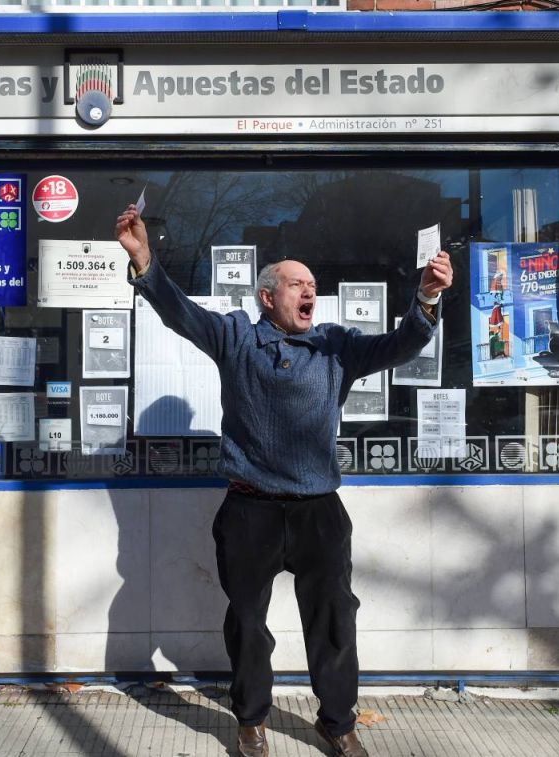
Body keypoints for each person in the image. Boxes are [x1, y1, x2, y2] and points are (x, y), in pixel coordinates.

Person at [115, 205, 453, 757]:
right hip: (250, 511)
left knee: (334, 624)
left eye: (313, 285)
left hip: (319, 511)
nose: (310, 292)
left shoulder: (336, 347)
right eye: (298, 284)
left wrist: (427, 299)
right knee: (248, 623)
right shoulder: (235, 339)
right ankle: (251, 720)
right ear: (267, 297)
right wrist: (144, 259)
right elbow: (180, 313)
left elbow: (400, 345)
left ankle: (337, 723)